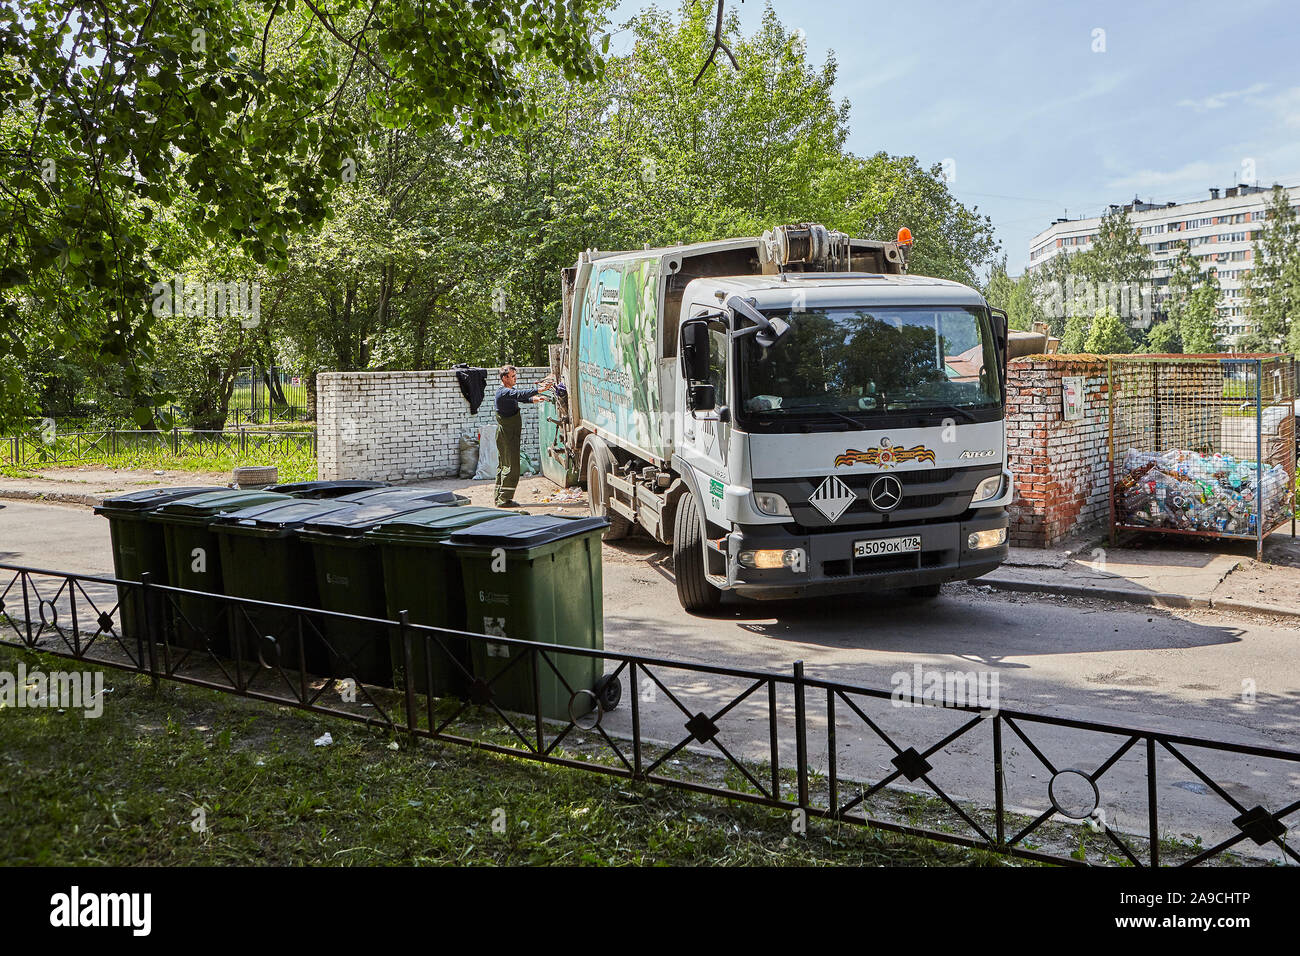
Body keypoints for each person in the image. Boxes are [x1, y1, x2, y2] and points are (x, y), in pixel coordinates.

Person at [494, 365, 553, 507]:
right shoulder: (503, 393)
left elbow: (519, 398)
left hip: (507, 434)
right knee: (511, 467)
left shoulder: (508, 392)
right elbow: (519, 395)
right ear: (504, 378)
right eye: (512, 376)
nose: (515, 379)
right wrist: (540, 389)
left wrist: (535, 399)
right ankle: (504, 500)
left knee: (504, 465)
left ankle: (499, 497)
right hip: (507, 435)